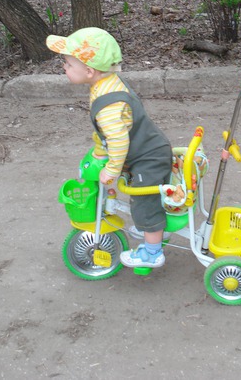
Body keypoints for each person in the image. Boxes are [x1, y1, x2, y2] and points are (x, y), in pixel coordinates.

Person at [47, 27, 172, 269]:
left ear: (89, 71)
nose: (64, 67)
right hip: (144, 150)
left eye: (68, 64)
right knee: (142, 200)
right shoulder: (105, 84)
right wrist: (99, 152)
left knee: (144, 201)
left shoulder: (108, 105)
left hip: (149, 157)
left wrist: (112, 168)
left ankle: (152, 252)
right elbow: (105, 133)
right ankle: (151, 228)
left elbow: (118, 140)